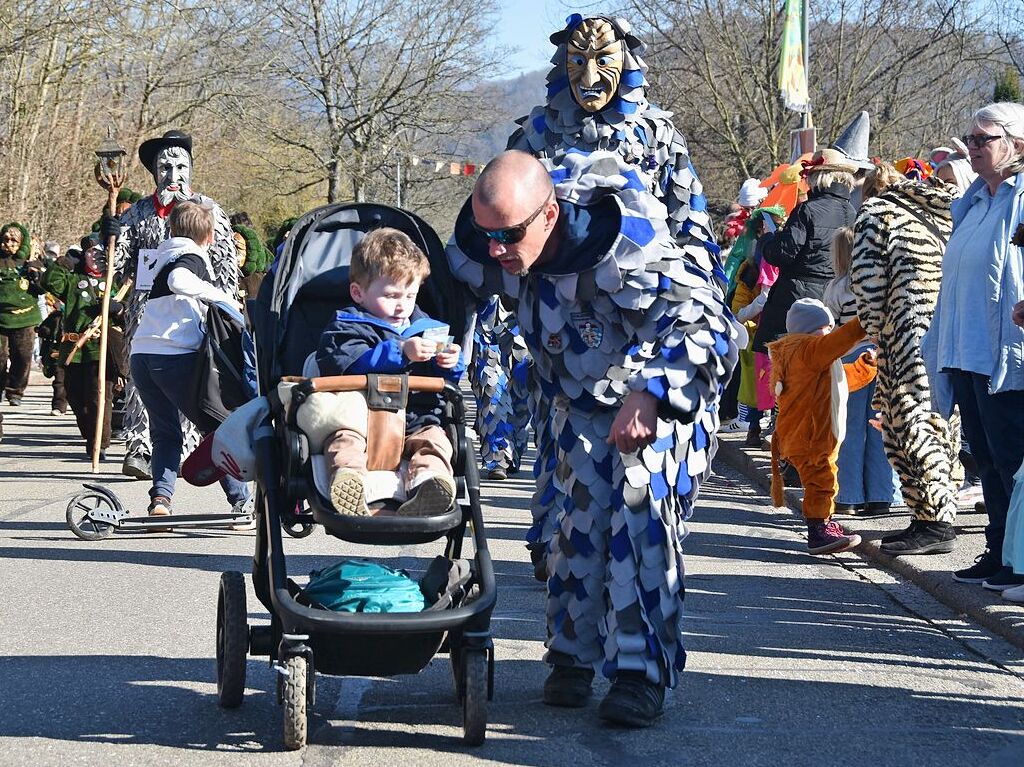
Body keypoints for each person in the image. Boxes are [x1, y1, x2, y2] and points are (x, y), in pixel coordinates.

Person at [447, 150, 740, 727]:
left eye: (508, 234)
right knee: (576, 523)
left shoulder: (628, 248)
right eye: (486, 235)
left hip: (656, 399)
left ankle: (638, 675)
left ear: (549, 215)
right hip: (578, 399)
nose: (496, 250)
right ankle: (573, 659)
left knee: (638, 518)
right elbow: (440, 295)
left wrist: (651, 392)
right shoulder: (490, 248)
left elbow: (710, 326)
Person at [923, 102, 1024, 589]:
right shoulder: (974, 202)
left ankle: (1017, 558)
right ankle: (999, 548)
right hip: (965, 350)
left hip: (1004, 354)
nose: (973, 147)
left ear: (1016, 145)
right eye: (971, 139)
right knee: (984, 458)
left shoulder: (1020, 199)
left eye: (984, 138)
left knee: (1010, 459)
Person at [106, 129, 238, 481]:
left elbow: (226, 268)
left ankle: (191, 445)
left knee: (192, 379)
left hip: (194, 316)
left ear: (191, 169)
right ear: (154, 173)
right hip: (146, 314)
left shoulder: (209, 211)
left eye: (181, 167)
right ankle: (140, 447)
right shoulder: (138, 214)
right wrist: (111, 235)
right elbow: (117, 266)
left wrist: (228, 312)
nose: (173, 176)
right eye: (165, 168)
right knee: (140, 378)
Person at [850, 161, 963, 553]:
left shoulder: (877, 213)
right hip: (950, 328)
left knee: (907, 421)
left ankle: (934, 521)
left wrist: (877, 332)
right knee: (942, 418)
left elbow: (867, 284)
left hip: (905, 330)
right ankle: (930, 516)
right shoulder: (952, 207)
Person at [315, 227, 464, 517]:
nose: (402, 305)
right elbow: (344, 363)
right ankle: (350, 482)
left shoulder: (426, 328)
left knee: (434, 441)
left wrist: (450, 362)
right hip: (360, 418)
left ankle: (428, 484)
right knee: (343, 441)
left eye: (410, 295)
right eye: (391, 295)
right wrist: (400, 352)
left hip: (416, 419)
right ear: (358, 293)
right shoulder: (346, 326)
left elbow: (445, 383)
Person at [129, 201, 249, 522]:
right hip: (175, 356)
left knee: (165, 433)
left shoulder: (161, 256)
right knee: (219, 429)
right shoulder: (191, 256)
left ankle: (161, 500)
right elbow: (178, 280)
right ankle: (242, 503)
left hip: (142, 355)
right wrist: (221, 297)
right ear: (210, 236)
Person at [768, 298, 874, 554]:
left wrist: (865, 366)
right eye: (827, 327)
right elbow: (841, 340)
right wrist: (867, 318)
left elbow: (839, 380)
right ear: (813, 329)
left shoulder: (803, 354)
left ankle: (824, 522)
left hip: (803, 433)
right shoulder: (808, 349)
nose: (829, 332)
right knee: (821, 480)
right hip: (812, 434)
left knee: (824, 479)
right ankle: (818, 531)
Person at [752, 148, 859, 397]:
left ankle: (784, 424)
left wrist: (768, 240)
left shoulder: (807, 210)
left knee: (790, 368)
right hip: (835, 295)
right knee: (823, 366)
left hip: (797, 297)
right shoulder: (853, 212)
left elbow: (784, 253)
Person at [825, 227, 901, 516]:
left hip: (848, 361)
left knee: (850, 429)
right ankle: (882, 494)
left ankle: (848, 495)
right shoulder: (878, 285)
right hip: (880, 356)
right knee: (881, 425)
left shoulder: (837, 288)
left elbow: (829, 329)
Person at [40, 243, 127, 458]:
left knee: (100, 397)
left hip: (103, 347)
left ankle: (99, 445)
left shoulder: (116, 281)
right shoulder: (72, 280)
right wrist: (65, 262)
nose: (95, 256)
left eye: (100, 252)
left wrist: (119, 309)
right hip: (74, 349)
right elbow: (49, 281)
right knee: (75, 396)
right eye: (90, 251)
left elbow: (131, 310)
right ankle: (90, 436)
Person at [0, 222, 43, 407]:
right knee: (0, 357)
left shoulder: (31, 261)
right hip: (1, 317)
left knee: (23, 356)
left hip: (25, 317)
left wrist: (36, 274)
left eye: (13, 240)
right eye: (5, 240)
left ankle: (15, 389)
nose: (9, 244)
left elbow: (43, 289)